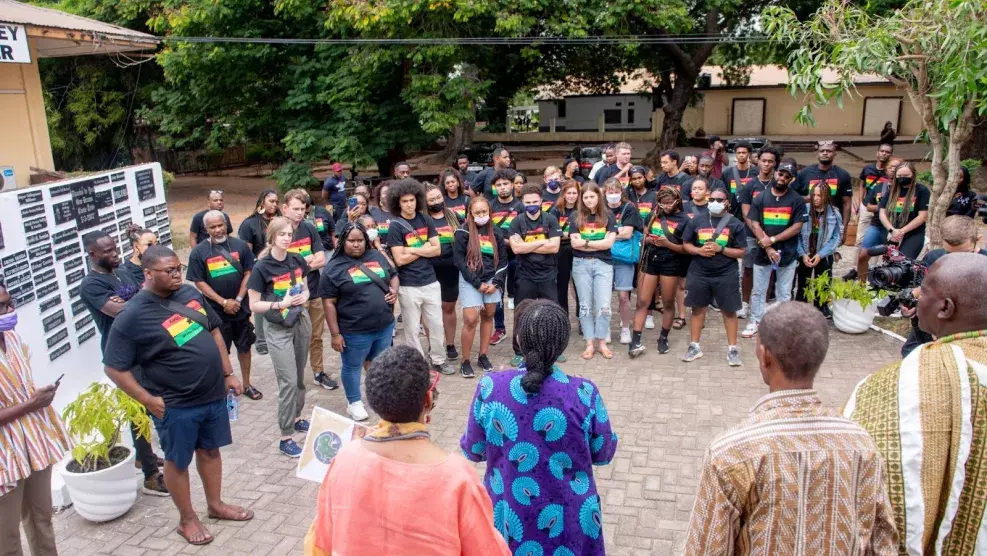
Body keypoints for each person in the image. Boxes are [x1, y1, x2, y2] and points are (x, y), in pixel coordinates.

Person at [685, 302, 898, 555]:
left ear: (765, 356)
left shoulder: (731, 453)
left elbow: (706, 548)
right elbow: (882, 543)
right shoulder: (861, 444)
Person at [104, 245, 250, 546]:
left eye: (177, 269)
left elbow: (213, 333)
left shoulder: (190, 295)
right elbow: (114, 368)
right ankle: (186, 518)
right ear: (147, 274)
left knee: (211, 451)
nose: (175, 275)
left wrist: (227, 373)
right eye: (168, 270)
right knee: (178, 461)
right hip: (175, 404)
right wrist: (147, 399)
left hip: (212, 394)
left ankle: (215, 504)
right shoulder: (132, 315)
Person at [844, 253, 987, 555]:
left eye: (924, 290)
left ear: (945, 308)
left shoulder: (900, 384)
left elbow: (871, 496)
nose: (915, 295)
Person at [305, 345, 509, 556]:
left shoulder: (346, 459)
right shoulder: (457, 477)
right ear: (428, 401)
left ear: (374, 401)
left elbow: (320, 543)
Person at [460, 300, 618, 556]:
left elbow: (474, 449)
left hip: (510, 517)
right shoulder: (584, 392)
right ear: (563, 344)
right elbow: (603, 453)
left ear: (519, 339)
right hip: (572, 518)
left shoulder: (490, 387)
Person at [79, 231, 167, 496]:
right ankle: (151, 475)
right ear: (93, 255)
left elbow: (148, 297)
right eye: (106, 251)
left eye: (114, 248)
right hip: (122, 356)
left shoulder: (123, 273)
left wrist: (131, 301)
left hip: (146, 349)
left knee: (144, 409)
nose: (114, 253)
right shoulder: (91, 284)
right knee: (139, 412)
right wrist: (133, 302)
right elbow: (118, 312)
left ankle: (144, 456)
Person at [0, 283, 72, 556]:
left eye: (9, 303)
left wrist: (39, 397)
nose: (9, 311)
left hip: (33, 443)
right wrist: (31, 404)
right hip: (4, 457)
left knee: (41, 519)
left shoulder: (15, 339)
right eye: (1, 307)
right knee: (6, 538)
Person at [247, 217, 313, 457]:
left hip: (300, 321)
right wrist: (280, 304)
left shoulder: (297, 260)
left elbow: (305, 287)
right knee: (287, 381)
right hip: (278, 327)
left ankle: (296, 417)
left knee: (299, 377)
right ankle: (285, 437)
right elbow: (254, 305)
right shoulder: (261, 267)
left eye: (289, 234)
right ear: (272, 237)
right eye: (282, 234)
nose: (286, 238)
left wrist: (303, 297)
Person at [320, 221, 399, 421]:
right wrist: (335, 334)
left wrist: (394, 291)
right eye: (351, 241)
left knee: (378, 364)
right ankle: (354, 402)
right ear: (342, 242)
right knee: (353, 366)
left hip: (384, 326)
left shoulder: (377, 256)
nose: (356, 244)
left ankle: (379, 397)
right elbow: (328, 303)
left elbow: (394, 275)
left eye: (360, 240)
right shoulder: (333, 268)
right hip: (355, 331)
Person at [186, 210, 261, 400]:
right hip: (216, 311)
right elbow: (199, 281)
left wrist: (237, 300)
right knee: (220, 351)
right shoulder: (198, 252)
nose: (218, 230)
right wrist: (223, 302)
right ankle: (223, 385)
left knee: (244, 347)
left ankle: (246, 384)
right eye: (213, 227)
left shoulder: (240, 246)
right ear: (206, 229)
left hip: (240, 308)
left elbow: (248, 272)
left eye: (221, 225)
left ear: (226, 224)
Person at [385, 178, 457, 375]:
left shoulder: (426, 220)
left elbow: (437, 250)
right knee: (411, 329)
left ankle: (439, 359)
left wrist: (411, 249)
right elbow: (399, 259)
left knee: (436, 325)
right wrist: (423, 248)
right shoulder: (396, 226)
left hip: (431, 281)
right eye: (404, 201)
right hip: (408, 286)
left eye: (412, 200)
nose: (409, 204)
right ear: (397, 203)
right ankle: (416, 364)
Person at [898, 215, 985, 357]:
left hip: (970, 334)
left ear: (978, 239)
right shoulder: (933, 257)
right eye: (949, 254)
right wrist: (913, 303)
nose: (955, 260)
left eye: (965, 253)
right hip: (932, 326)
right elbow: (923, 290)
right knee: (909, 355)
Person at [681, 188, 747, 365]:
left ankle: (733, 349)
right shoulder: (697, 221)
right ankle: (694, 346)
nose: (715, 203)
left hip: (726, 273)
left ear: (726, 202)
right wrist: (699, 250)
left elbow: (741, 251)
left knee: (729, 311)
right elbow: (686, 243)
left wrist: (722, 249)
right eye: (712, 199)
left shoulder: (735, 224)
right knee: (697, 309)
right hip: (699, 272)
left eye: (719, 200)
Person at [742, 162, 808, 338]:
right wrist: (768, 247)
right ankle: (755, 320)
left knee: (784, 291)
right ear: (775, 174)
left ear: (791, 179)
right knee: (759, 289)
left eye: (787, 176)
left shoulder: (797, 200)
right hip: (762, 252)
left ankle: (782, 325)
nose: (782, 178)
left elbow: (797, 227)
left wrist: (772, 240)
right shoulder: (760, 198)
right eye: (780, 174)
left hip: (788, 252)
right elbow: (754, 224)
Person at [280, 190, 334, 391]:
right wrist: (306, 260)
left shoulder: (309, 229)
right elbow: (277, 265)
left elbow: (321, 260)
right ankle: (294, 377)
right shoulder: (278, 231)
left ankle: (318, 372)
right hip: (291, 296)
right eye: (295, 209)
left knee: (316, 336)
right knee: (294, 337)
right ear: (284, 208)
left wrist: (297, 264)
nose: (300, 213)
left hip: (315, 291)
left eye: (303, 209)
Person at [630, 186, 691, 357]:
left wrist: (668, 244)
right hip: (651, 260)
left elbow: (686, 249)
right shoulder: (653, 215)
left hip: (671, 263)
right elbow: (644, 236)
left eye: (669, 203)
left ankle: (663, 337)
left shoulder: (685, 220)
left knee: (668, 302)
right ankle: (636, 339)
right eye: (662, 203)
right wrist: (648, 239)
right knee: (642, 301)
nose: (665, 206)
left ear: (677, 201)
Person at [508, 183, 562, 365]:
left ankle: (555, 349)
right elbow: (516, 249)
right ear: (522, 202)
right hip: (525, 276)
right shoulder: (517, 222)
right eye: (527, 201)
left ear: (541, 201)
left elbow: (555, 247)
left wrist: (527, 246)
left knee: (552, 314)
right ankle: (518, 350)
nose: (531, 204)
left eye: (535, 201)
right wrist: (542, 243)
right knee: (521, 314)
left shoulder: (550, 219)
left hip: (547, 275)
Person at [454, 196, 507, 378]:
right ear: (470, 213)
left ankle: (483, 355)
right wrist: (477, 283)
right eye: (477, 212)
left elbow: (504, 260)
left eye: (484, 212)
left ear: (490, 212)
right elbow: (459, 261)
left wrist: (497, 283)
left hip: (492, 280)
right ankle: (465, 361)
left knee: (489, 314)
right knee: (470, 319)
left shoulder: (496, 232)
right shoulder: (462, 232)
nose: (481, 215)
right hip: (471, 280)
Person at [855, 162, 930, 281]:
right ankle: (861, 285)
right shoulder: (892, 190)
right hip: (890, 229)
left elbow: (922, 217)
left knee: (903, 264)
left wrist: (901, 231)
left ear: (913, 174)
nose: (902, 178)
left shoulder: (922, 190)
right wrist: (892, 230)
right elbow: (882, 212)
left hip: (912, 233)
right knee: (865, 254)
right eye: (899, 176)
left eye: (906, 175)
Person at [570, 182, 618, 360]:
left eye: (592, 196)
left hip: (603, 265)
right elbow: (575, 244)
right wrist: (597, 244)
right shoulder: (575, 216)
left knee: (604, 307)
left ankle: (602, 342)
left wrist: (586, 243)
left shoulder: (608, 216)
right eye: (586, 197)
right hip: (580, 265)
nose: (589, 200)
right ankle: (589, 343)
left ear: (599, 196)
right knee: (585, 306)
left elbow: (608, 244)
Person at [737, 146, 780, 318]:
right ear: (758, 161)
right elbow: (746, 213)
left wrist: (769, 237)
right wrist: (759, 234)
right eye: (764, 161)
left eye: (770, 161)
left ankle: (762, 303)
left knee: (769, 270)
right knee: (748, 270)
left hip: (773, 234)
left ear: (775, 163)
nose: (766, 164)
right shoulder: (750, 186)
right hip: (751, 234)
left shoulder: (779, 185)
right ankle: (745, 304)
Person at [239, 189, 280, 355]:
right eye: (271, 201)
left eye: (277, 202)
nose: (274, 204)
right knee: (260, 305)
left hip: (278, 267)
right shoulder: (249, 224)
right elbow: (246, 252)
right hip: (259, 268)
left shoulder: (279, 221)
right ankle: (261, 341)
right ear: (262, 201)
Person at [794, 181, 844, 315]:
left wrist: (821, 254)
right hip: (805, 251)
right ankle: (800, 308)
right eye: (814, 195)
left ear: (826, 196)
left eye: (820, 195)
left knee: (823, 283)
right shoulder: (804, 209)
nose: (816, 198)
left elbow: (837, 237)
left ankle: (821, 308)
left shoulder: (834, 214)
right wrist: (802, 254)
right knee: (803, 282)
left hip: (823, 252)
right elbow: (796, 234)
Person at [426, 183, 462, 363]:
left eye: (438, 197)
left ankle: (449, 343)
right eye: (431, 199)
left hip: (451, 270)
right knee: (430, 309)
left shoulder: (453, 216)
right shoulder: (422, 219)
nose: (436, 201)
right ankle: (433, 344)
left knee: (448, 307)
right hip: (428, 270)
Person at [604, 178, 643, 345]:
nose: (613, 195)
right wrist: (614, 232)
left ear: (621, 192)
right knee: (603, 297)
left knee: (623, 296)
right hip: (603, 257)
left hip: (623, 258)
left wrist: (607, 235)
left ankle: (626, 328)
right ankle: (604, 330)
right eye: (609, 192)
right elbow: (595, 231)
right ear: (604, 193)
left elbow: (627, 233)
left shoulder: (629, 208)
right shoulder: (601, 209)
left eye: (615, 191)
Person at [794, 140, 852, 245]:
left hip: (831, 222)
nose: (825, 153)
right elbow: (792, 196)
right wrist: (806, 199)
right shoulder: (804, 173)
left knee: (826, 254)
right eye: (822, 151)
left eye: (829, 151)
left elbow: (847, 203)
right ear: (817, 154)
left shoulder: (843, 175)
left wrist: (844, 229)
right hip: (807, 221)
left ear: (835, 154)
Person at [489, 169, 524, 339]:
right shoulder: (489, 206)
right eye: (498, 185)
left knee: (520, 293)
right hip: (496, 257)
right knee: (497, 294)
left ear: (512, 184)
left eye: (505, 184)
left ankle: (520, 329)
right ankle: (500, 328)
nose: (502, 188)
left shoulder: (521, 206)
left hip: (518, 257)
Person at [552, 181, 581, 321]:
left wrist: (566, 234)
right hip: (561, 250)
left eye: (574, 193)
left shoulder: (582, 209)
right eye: (568, 193)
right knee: (561, 286)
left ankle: (582, 318)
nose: (571, 196)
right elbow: (554, 232)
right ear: (563, 194)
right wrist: (573, 234)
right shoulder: (556, 210)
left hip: (578, 249)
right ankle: (563, 318)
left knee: (579, 286)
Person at [857, 144, 893, 246]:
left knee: (879, 239)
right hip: (866, 205)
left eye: (887, 152)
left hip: (882, 208)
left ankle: (875, 262)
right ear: (877, 153)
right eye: (882, 151)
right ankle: (858, 260)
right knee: (860, 238)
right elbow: (862, 185)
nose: (884, 154)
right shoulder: (868, 168)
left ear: (890, 155)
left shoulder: (891, 173)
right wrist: (861, 203)